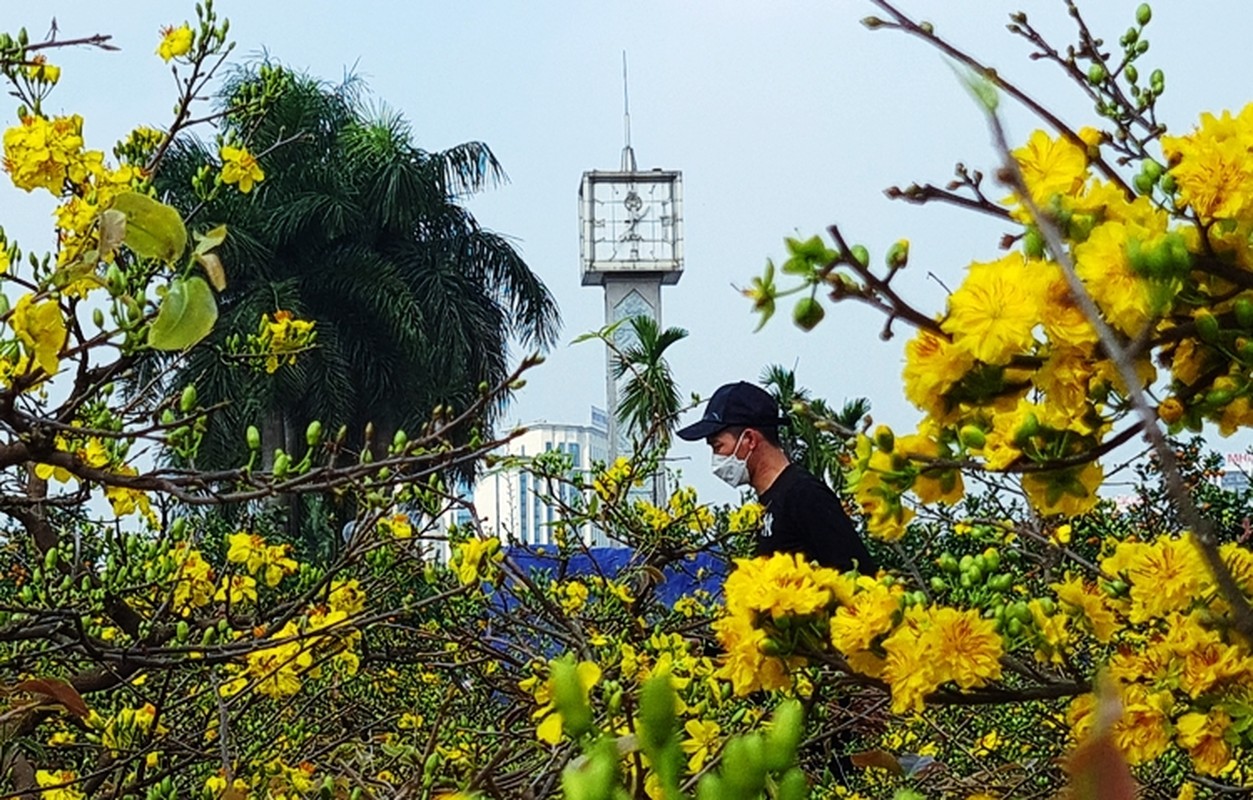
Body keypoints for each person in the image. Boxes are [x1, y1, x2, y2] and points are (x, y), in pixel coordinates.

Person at [677, 381, 876, 574]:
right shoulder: (766, 503)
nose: (716, 458)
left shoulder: (804, 494)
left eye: (718, 446)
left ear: (749, 439)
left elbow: (859, 574)